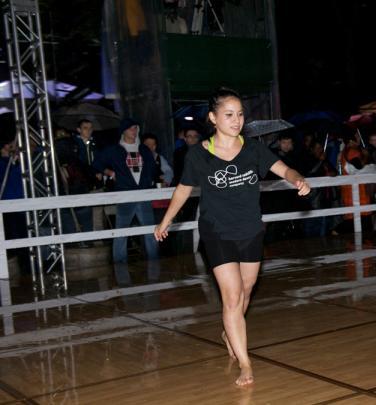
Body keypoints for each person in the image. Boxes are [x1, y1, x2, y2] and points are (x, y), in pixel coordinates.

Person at [154, 87, 310, 387]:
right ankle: (246, 363)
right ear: (213, 118)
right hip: (217, 231)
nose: (236, 120)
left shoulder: (253, 149)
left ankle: (230, 330)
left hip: (250, 229)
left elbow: (284, 169)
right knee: (233, 296)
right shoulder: (198, 154)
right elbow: (184, 189)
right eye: (229, 114)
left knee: (246, 291)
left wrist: (297, 179)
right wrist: (166, 220)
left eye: (240, 114)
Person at [92, 118, 159, 264]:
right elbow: (96, 163)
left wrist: (148, 182)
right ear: (123, 131)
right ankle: (119, 264)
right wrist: (110, 173)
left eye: (136, 128)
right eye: (130, 128)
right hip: (125, 195)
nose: (134, 131)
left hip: (143, 194)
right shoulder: (114, 150)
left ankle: (154, 261)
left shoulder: (143, 149)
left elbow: (153, 168)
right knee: (121, 232)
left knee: (150, 232)